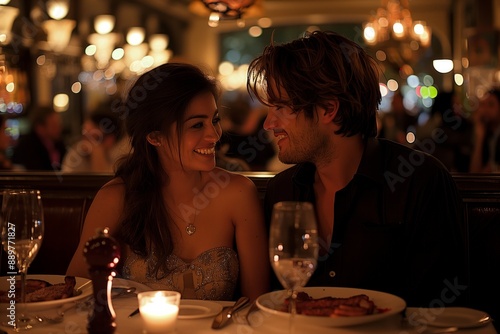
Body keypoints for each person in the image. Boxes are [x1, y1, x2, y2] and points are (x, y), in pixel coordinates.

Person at [247, 31, 466, 308]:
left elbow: (443, 309)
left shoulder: (419, 181)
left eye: (280, 107)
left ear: (328, 109)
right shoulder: (283, 190)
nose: (268, 124)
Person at [67, 63, 269, 301]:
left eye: (214, 120)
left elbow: (258, 304)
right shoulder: (116, 198)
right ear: (155, 136)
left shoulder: (237, 193)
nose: (214, 135)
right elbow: (74, 291)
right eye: (196, 125)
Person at [62, 107, 130, 173]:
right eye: (84, 136)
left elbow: (103, 180)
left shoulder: (123, 155)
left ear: (110, 140)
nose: (84, 142)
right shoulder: (76, 153)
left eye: (93, 138)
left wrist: (97, 153)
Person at [11, 106, 66, 171]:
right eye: (54, 125)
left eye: (59, 124)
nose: (59, 128)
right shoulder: (27, 147)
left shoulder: (59, 144)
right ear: (40, 128)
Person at [469, 88, 500, 173]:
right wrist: (479, 137)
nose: (485, 109)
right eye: (482, 104)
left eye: (491, 105)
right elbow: (474, 172)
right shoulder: (486, 133)